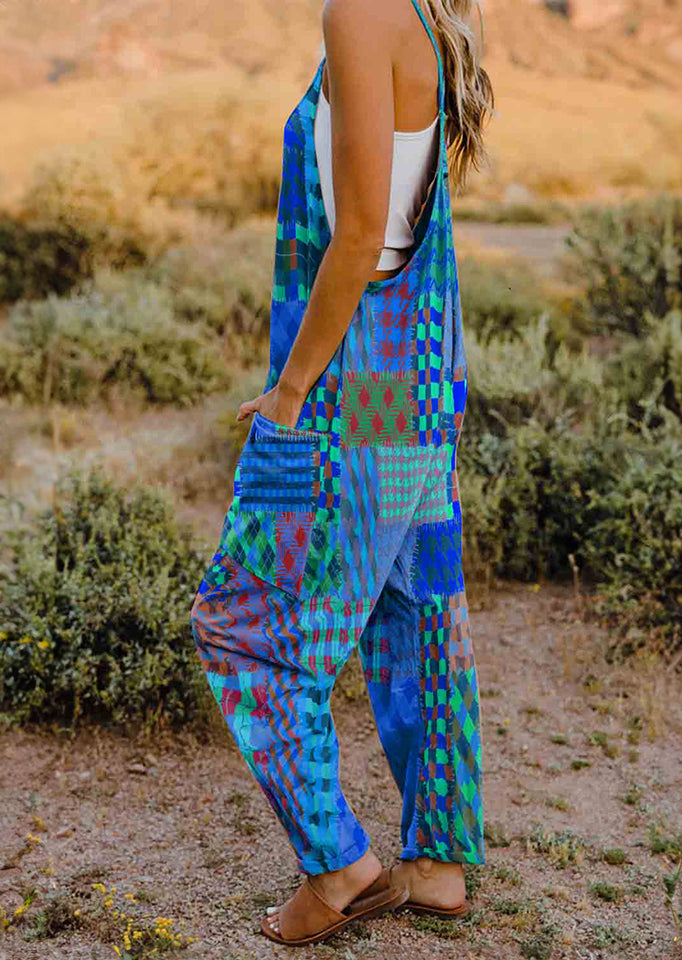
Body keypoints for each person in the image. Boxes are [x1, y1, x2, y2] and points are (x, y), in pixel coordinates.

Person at [190, 0, 494, 946]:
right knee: (414, 620)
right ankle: (438, 864)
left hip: (355, 389)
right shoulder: (413, 14)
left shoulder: (360, 10)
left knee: (242, 630)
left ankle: (341, 867)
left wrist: (289, 393)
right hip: (415, 379)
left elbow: (361, 232)